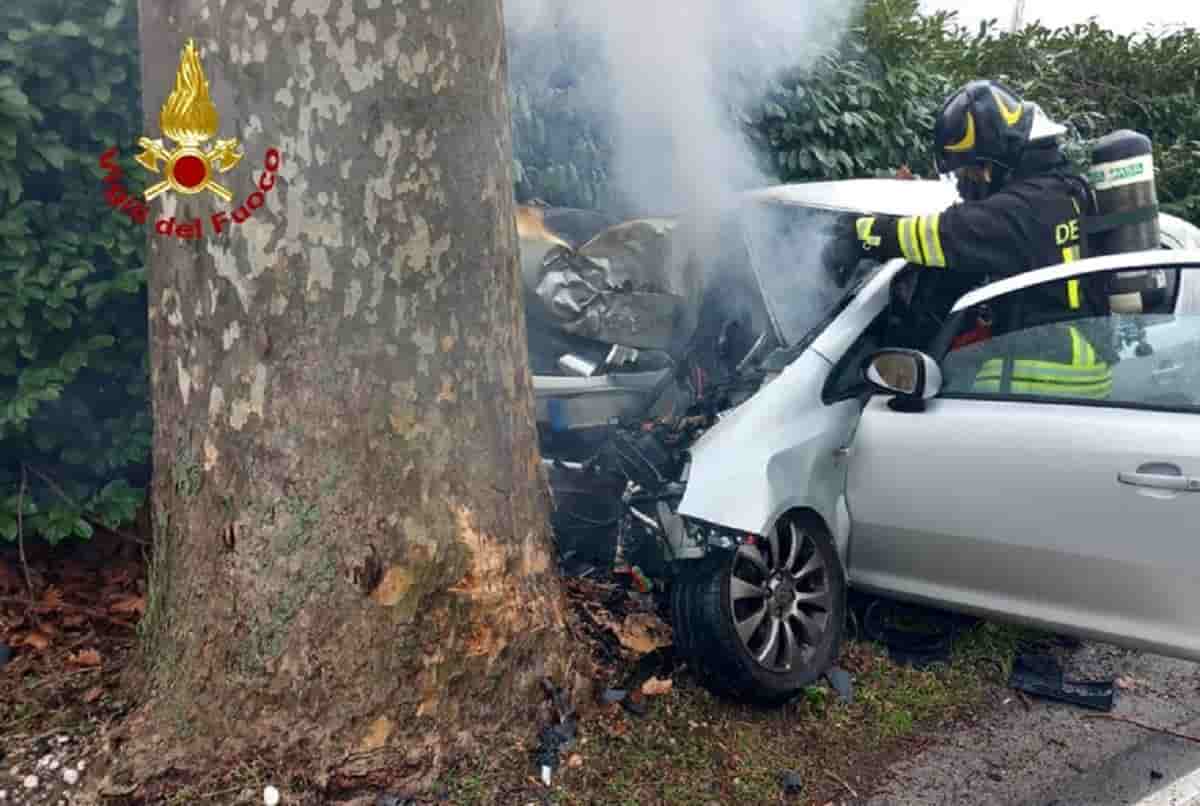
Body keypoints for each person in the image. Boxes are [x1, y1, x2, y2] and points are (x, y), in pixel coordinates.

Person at [823, 79, 1115, 399]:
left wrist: (864, 234)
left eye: (974, 170)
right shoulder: (1061, 190)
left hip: (1046, 373)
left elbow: (944, 235)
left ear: (1000, 158)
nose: (968, 182)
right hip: (1078, 367)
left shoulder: (1026, 208)